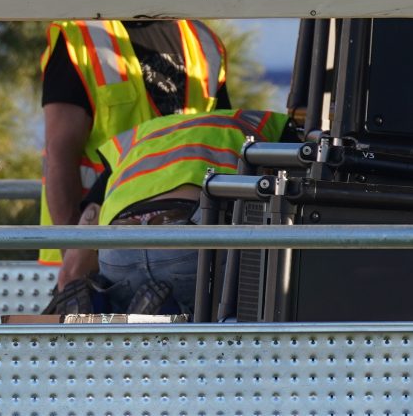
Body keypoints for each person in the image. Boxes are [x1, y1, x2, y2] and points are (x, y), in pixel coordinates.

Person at [40, 0, 231, 275]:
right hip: (98, 251)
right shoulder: (84, 37)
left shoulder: (206, 44)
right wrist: (75, 259)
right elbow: (59, 155)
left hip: (176, 248)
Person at [56, 106, 290, 317]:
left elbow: (79, 251)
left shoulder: (137, 140)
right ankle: (171, 314)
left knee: (117, 290)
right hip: (182, 239)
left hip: (120, 246)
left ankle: (100, 308)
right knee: (243, 284)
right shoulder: (266, 129)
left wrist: (70, 283)